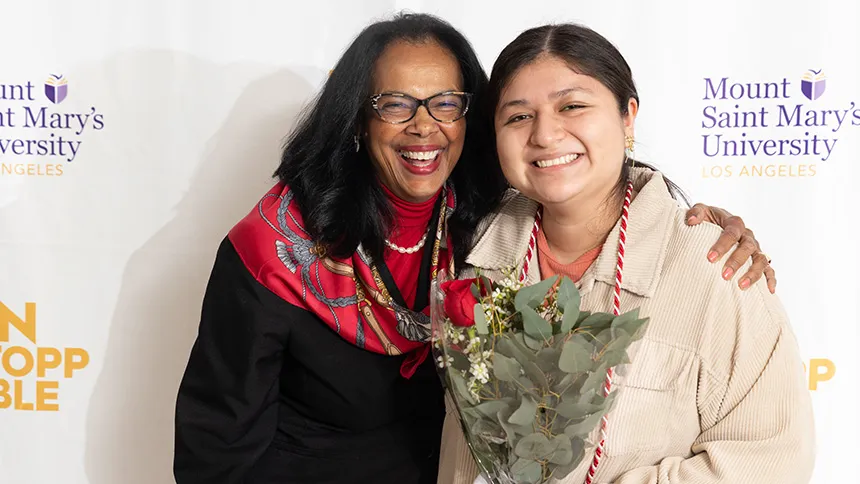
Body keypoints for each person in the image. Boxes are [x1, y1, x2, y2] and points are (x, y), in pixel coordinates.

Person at [172, 13, 778, 484]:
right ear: (358, 119)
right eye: (395, 104)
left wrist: (705, 220)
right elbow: (215, 450)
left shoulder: (477, 217)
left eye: (446, 104)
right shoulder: (277, 250)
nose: (423, 125)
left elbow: (579, 175)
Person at [438, 23, 814, 484]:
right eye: (518, 117)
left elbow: (771, 460)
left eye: (572, 106)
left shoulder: (715, 267)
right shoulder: (466, 251)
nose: (545, 134)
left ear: (627, 116)